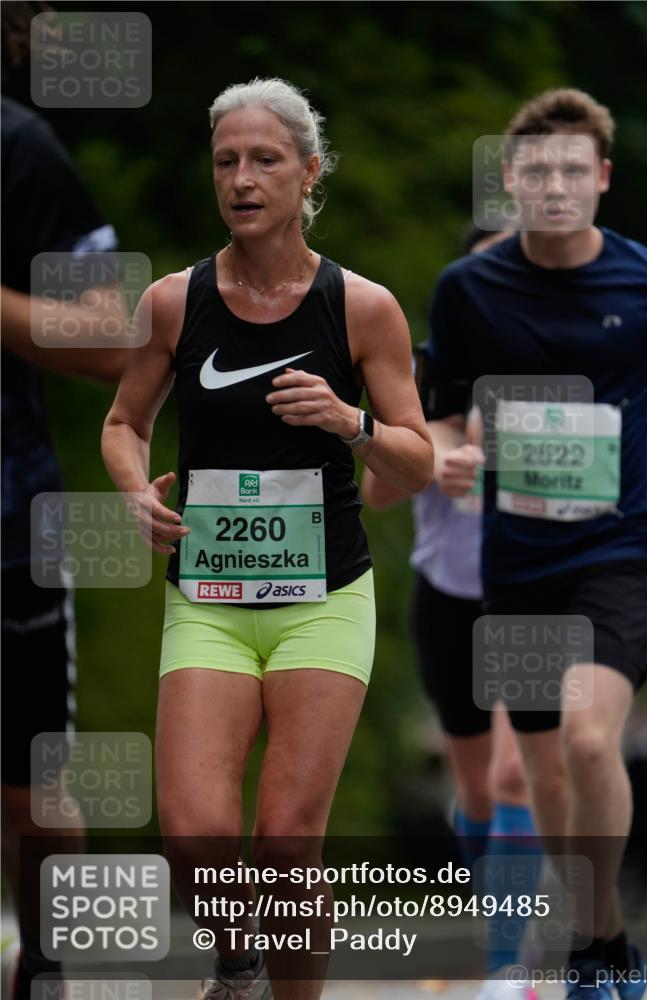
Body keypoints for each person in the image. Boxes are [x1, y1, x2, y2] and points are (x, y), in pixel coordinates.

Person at [102, 77, 432, 1000]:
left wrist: (348, 421)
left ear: (308, 172)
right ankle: (238, 965)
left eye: (265, 160)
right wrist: (135, 492)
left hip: (321, 600)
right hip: (208, 598)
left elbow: (413, 461)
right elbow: (124, 424)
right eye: (225, 162)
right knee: (195, 836)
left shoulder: (361, 308)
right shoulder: (174, 302)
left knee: (287, 841)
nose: (242, 179)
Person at [430, 88, 647, 1000]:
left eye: (574, 170)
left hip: (617, 553)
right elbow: (443, 418)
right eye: (538, 171)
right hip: (516, 560)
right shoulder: (469, 291)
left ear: (602, 178)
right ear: (510, 181)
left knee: (586, 739)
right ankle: (595, 948)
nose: (556, 186)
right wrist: (451, 459)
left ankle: (602, 948)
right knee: (544, 779)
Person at [362, 219, 543, 1000]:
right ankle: (505, 926)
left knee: (513, 775)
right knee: (473, 792)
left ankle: (509, 964)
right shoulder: (424, 371)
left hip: (536, 593)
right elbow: (374, 491)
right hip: (449, 600)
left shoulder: (562, 369)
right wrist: (433, 461)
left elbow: (607, 482)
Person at [1, 4, 128, 997]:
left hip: (10, 526)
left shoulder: (20, 150)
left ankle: (47, 970)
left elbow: (111, 336)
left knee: (31, 791)